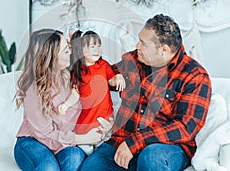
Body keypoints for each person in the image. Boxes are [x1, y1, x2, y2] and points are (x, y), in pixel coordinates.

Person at [79, 14, 212, 171]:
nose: (137, 46)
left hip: (165, 148)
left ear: (164, 50)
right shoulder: (133, 60)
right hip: (121, 141)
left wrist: (136, 142)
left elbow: (185, 127)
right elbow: (99, 76)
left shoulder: (194, 75)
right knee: (90, 167)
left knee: (151, 157)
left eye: (142, 43)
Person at [13, 29, 109, 171]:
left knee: (74, 159)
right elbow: (45, 134)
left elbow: (92, 59)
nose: (71, 53)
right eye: (66, 50)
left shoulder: (71, 75)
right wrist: (85, 139)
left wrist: (104, 126)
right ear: (51, 57)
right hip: (33, 141)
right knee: (48, 167)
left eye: (70, 48)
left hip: (63, 143)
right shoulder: (34, 88)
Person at [58, 30, 126, 156]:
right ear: (80, 49)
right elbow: (75, 93)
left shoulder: (103, 65)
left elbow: (112, 80)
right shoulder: (78, 71)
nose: (97, 50)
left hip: (105, 121)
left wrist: (118, 77)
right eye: (92, 46)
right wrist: (66, 104)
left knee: (103, 152)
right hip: (86, 124)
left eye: (99, 46)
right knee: (85, 153)